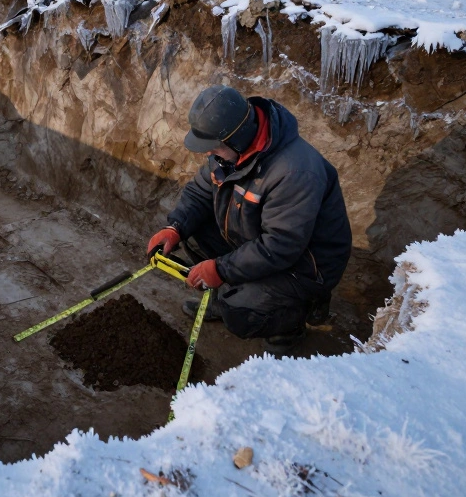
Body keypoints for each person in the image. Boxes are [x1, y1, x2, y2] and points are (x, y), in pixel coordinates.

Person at [147, 85, 352, 353]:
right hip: (261, 241)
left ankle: (292, 322)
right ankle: (225, 297)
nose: (209, 155)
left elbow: (281, 246)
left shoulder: (294, 172)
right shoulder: (227, 156)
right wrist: (174, 227)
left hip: (304, 266)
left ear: (237, 138)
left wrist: (220, 269)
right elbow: (199, 192)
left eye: (214, 148)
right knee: (193, 232)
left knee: (241, 313)